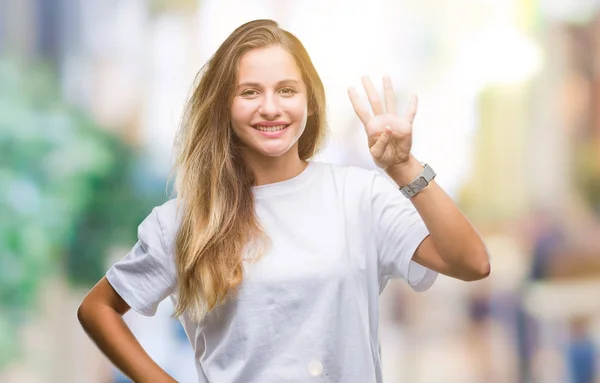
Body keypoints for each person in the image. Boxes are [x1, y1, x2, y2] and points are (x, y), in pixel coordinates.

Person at [77, 19, 490, 383]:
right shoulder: (186, 221)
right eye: (250, 92)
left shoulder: (358, 197)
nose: (270, 107)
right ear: (224, 105)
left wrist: (403, 167)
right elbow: (98, 309)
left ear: (309, 101)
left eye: (286, 90)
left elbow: (471, 263)